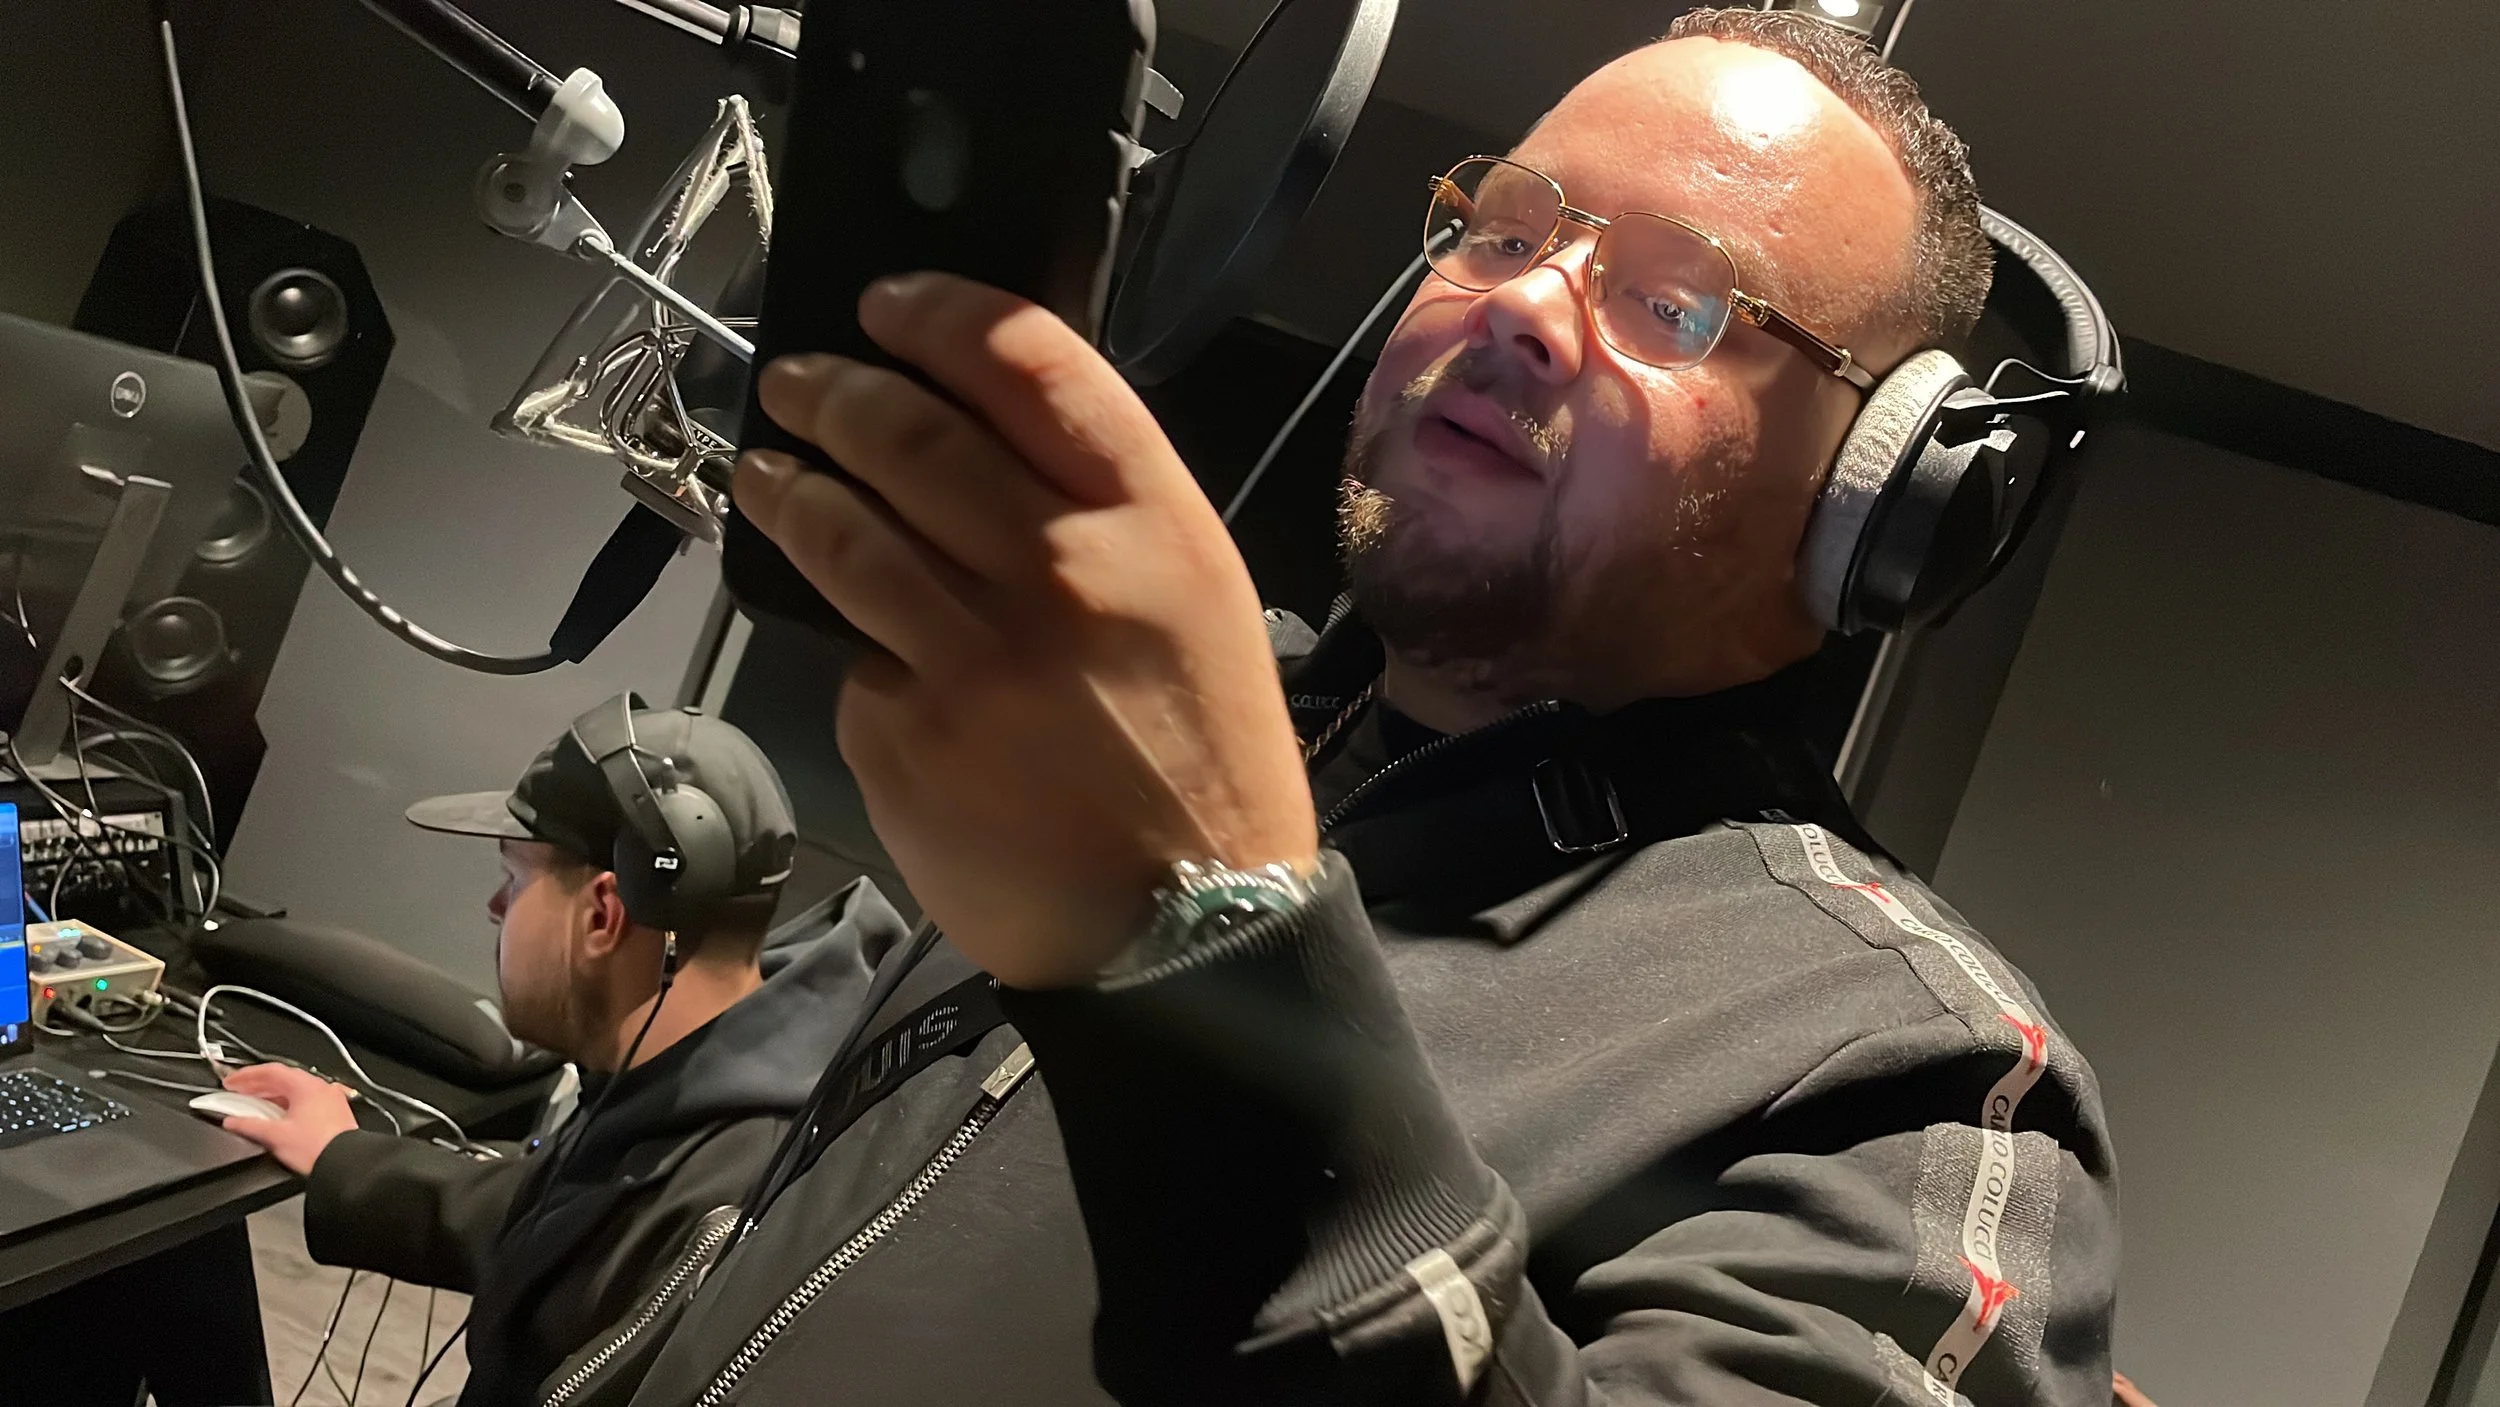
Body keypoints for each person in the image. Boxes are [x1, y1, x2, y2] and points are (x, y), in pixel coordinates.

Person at [620, 10, 2119, 1406]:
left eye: (1675, 299)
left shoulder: (1921, 1079)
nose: (1523, 300)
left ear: (1882, 499)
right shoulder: (1150, 707)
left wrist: (1212, 936)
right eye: (1503, 229)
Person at [217, 703, 904, 1406]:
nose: (494, 905)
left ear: (605, 915)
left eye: (514, 878)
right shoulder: (695, 1086)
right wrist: (343, 1157)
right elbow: (558, 1217)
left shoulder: (720, 1196)